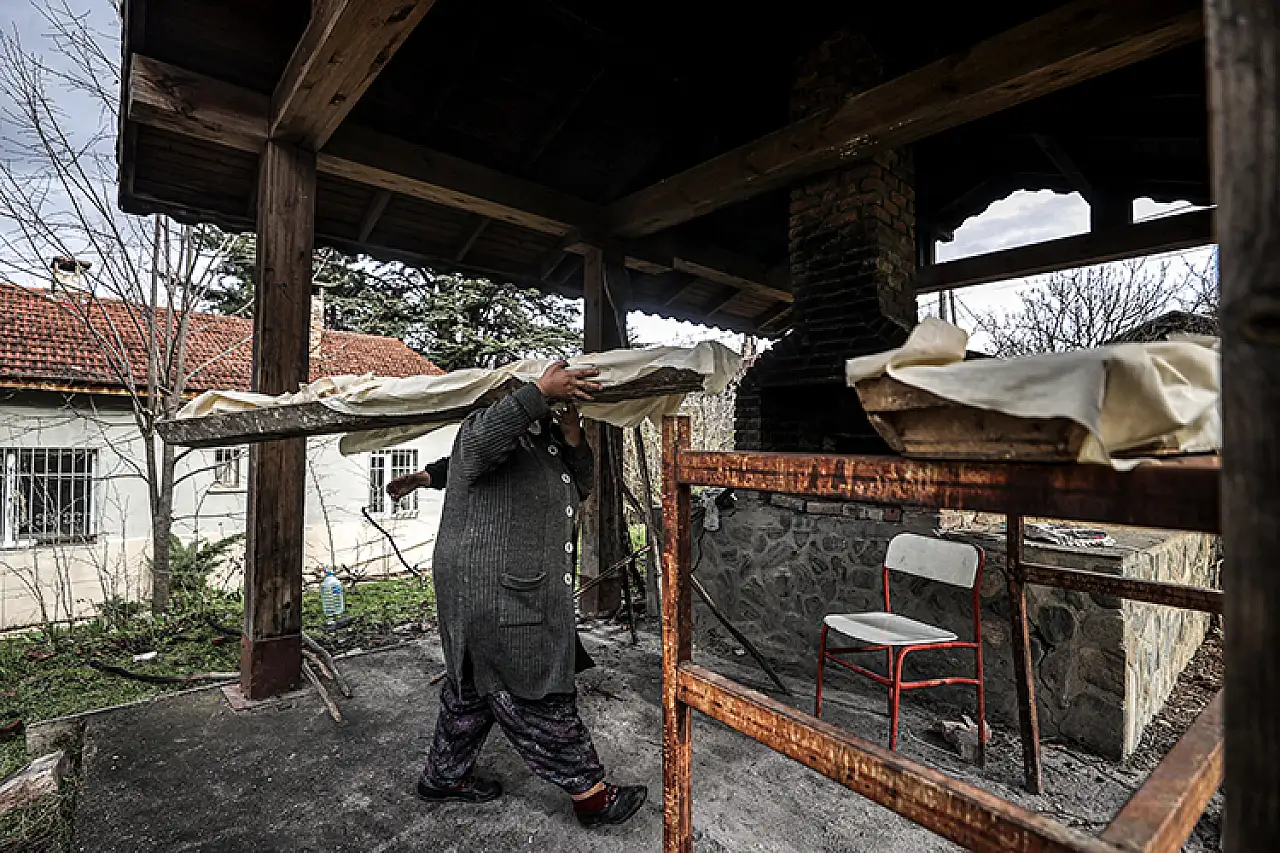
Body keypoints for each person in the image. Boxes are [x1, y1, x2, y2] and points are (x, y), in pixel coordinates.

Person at [385, 360, 647, 828]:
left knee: (472, 687)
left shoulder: (542, 442)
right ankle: (591, 795)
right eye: (540, 403)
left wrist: (570, 434)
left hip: (513, 584)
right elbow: (476, 449)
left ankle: (444, 775)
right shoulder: (486, 430)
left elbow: (582, 481)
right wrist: (538, 391)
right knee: (533, 689)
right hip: (492, 587)